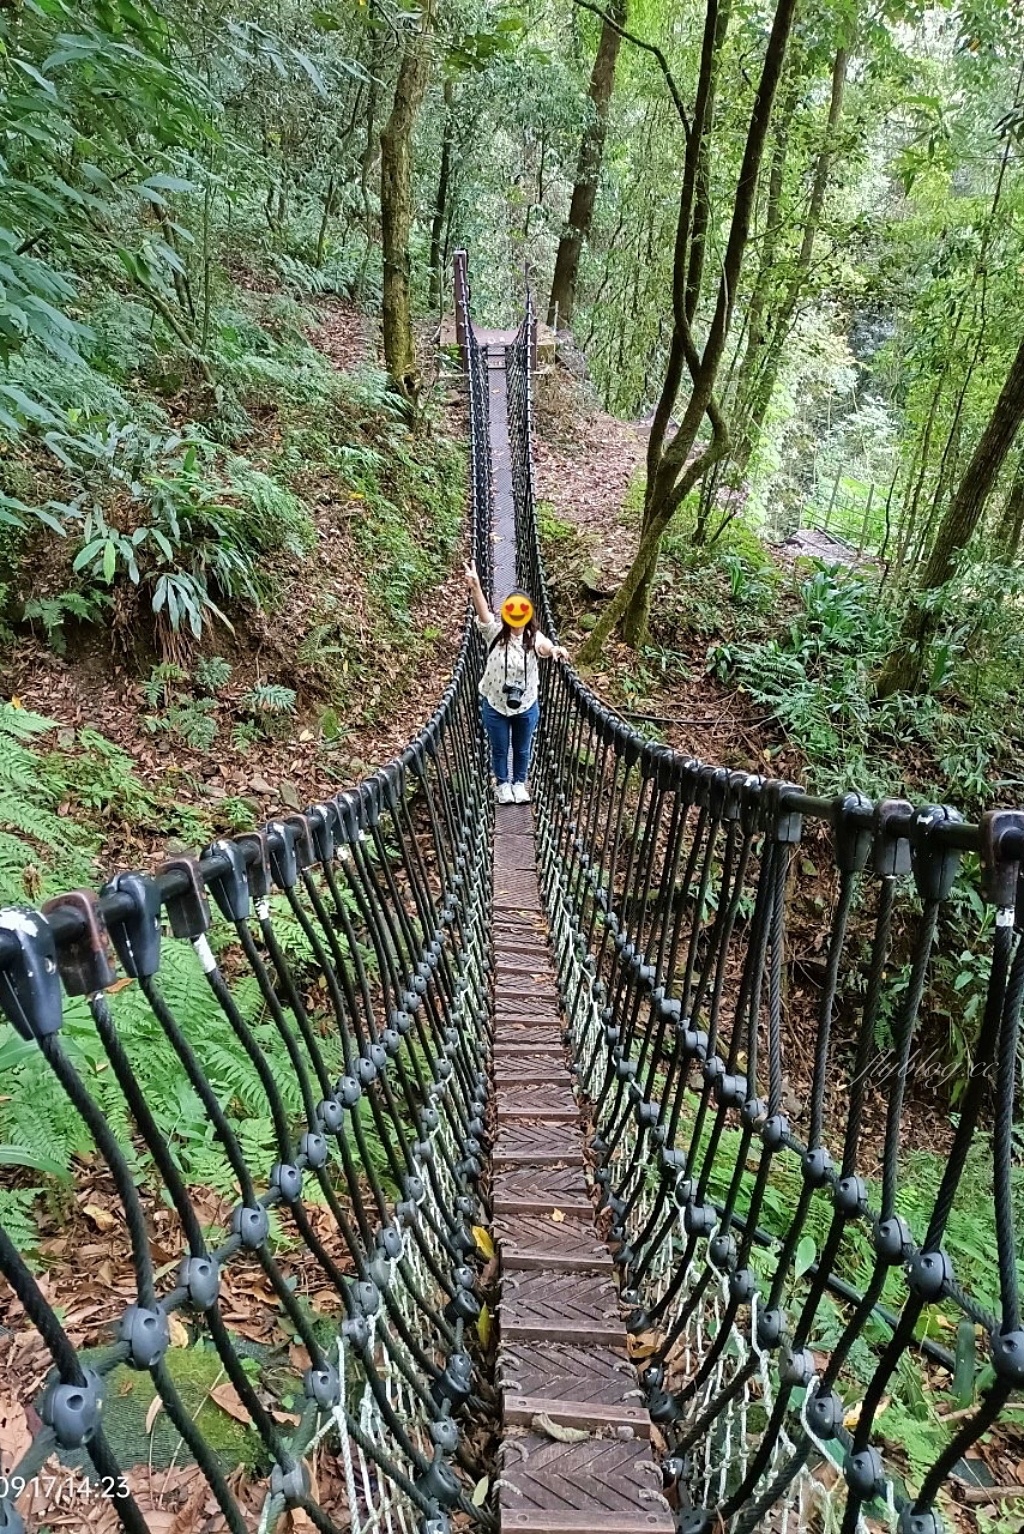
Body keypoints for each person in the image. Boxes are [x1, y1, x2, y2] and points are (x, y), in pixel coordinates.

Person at [464, 560, 568, 804]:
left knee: (522, 748)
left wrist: (555, 650)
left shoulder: (534, 637)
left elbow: (545, 647)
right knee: (500, 748)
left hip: (526, 704)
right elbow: (483, 615)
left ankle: (519, 783)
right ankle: (502, 785)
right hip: (495, 703)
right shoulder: (495, 633)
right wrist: (476, 587)